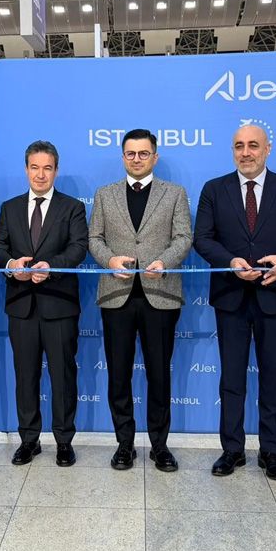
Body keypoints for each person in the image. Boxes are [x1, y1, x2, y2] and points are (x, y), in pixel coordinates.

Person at [193, 124, 276, 480]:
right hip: (230, 297)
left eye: (253, 145)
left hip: (274, 296)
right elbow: (203, 239)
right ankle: (232, 450)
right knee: (231, 378)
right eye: (239, 146)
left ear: (268, 149)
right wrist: (230, 262)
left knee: (273, 377)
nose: (246, 152)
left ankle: (270, 452)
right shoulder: (214, 189)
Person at [88, 129, 193, 472]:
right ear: (123, 157)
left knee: (159, 375)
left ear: (155, 157)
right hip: (116, 296)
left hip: (159, 294)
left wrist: (164, 261)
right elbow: (94, 238)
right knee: (118, 376)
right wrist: (109, 260)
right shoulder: (104, 194)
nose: (137, 159)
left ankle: (160, 446)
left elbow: (184, 237)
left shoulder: (174, 193)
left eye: (143, 153)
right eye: (131, 153)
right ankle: (124, 445)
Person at [0, 141, 89, 467]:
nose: (41, 174)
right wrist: (12, 265)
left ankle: (64, 441)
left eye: (47, 168)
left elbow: (78, 248)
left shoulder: (72, 207)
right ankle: (28, 440)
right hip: (21, 306)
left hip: (59, 304)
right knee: (25, 376)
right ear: (26, 169)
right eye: (35, 167)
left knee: (63, 376)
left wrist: (51, 267)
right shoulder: (10, 208)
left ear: (56, 170)